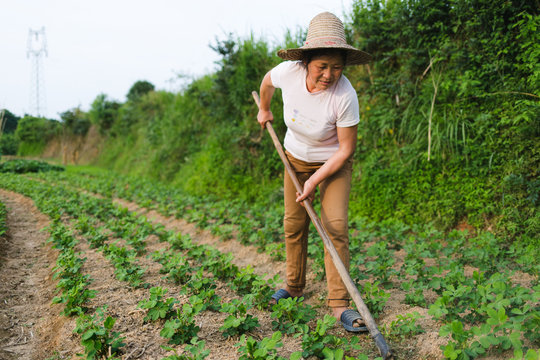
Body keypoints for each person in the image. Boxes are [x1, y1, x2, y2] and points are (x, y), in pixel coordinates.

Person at [256, 11, 372, 332]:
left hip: (332, 163)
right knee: (294, 223)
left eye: (336, 67)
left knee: (334, 226)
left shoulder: (345, 96)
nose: (329, 74)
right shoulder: (287, 73)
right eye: (322, 66)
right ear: (306, 62)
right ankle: (294, 286)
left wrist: (315, 181)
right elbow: (267, 82)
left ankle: (339, 303)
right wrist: (264, 109)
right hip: (294, 158)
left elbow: (346, 149)